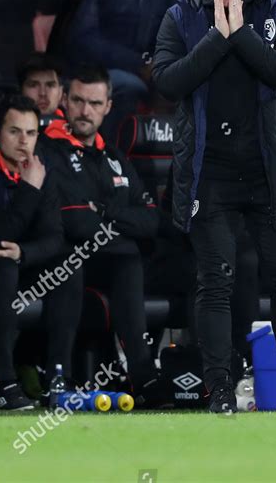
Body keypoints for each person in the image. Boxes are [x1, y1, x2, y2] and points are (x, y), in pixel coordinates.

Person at [153, 0, 276, 413]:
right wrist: (217, 36)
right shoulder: (181, 16)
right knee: (215, 281)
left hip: (269, 170)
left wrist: (241, 32)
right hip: (211, 174)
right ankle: (220, 388)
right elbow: (168, 81)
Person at [42, 65, 170, 407]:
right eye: (79, 101)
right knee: (89, 259)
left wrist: (106, 211)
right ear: (65, 101)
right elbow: (75, 223)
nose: (86, 111)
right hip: (58, 261)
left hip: (113, 260)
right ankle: (59, 378)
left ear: (108, 107)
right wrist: (120, 221)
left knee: (132, 260)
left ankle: (146, 376)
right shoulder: (48, 149)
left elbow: (150, 221)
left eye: (95, 103)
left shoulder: (113, 156)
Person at [0, 96, 68, 410]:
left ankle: (60, 380)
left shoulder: (39, 170)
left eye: (31, 133)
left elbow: (54, 237)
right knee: (2, 267)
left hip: (19, 263)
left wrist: (23, 252)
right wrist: (29, 189)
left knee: (68, 269)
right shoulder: (28, 178)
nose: (24, 141)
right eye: (14, 132)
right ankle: (4, 382)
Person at [68, 0, 182, 140]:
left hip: (156, 67)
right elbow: (84, 37)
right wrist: (139, 64)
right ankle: (113, 154)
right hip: (102, 68)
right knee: (128, 86)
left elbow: (183, 28)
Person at [18, 52, 64, 128]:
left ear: (60, 92)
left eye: (50, 85)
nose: (42, 93)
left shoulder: (76, 131)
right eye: (33, 85)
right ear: (21, 90)